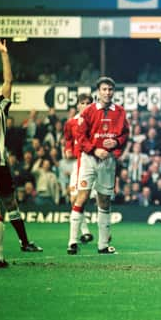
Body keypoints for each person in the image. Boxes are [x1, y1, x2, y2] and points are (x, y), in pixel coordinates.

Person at [67, 76, 129, 255]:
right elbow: (80, 136)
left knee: (104, 201)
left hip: (108, 161)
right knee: (82, 197)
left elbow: (125, 134)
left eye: (110, 89)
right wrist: (95, 150)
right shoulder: (88, 111)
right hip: (89, 159)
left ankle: (102, 245)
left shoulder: (120, 112)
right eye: (104, 89)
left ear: (113, 92)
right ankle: (72, 242)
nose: (107, 92)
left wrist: (116, 143)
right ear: (98, 92)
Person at [0, 38, 42, 257]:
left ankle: (23, 242)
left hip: (0, 163)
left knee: (9, 203)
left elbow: (8, 81)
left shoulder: (0, 106)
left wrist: (4, 54)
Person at [63, 93, 95, 245]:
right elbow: (68, 138)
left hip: (94, 162)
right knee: (74, 199)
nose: (85, 105)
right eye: (82, 103)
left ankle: (105, 233)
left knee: (99, 199)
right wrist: (68, 149)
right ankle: (85, 232)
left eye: (88, 103)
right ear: (77, 105)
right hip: (79, 163)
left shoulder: (96, 120)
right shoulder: (71, 123)